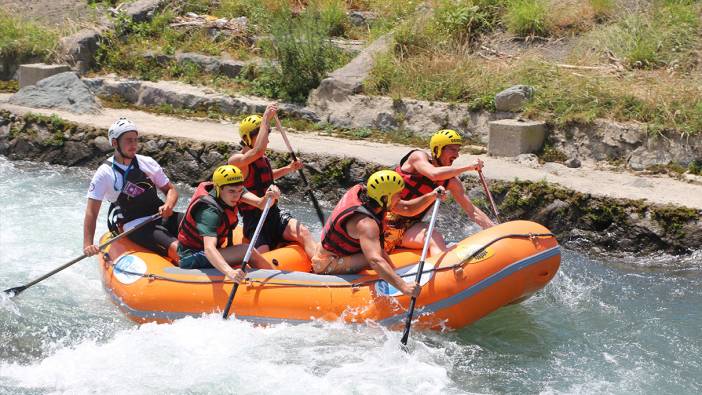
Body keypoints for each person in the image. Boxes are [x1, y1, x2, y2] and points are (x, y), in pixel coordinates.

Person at [312, 170, 445, 297]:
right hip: (328, 264)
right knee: (377, 255)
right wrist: (404, 287)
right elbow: (375, 261)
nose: (401, 197)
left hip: (331, 252)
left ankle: (396, 276)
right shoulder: (366, 224)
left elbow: (407, 208)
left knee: (382, 254)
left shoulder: (370, 195)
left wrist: (432, 196)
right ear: (385, 197)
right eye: (398, 195)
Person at [83, 117, 182, 261]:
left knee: (199, 228)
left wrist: (169, 205)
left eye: (136, 140)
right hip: (134, 225)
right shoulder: (105, 173)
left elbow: (170, 190)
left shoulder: (147, 163)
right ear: (115, 143)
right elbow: (91, 212)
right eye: (129, 140)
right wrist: (88, 244)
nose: (134, 144)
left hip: (159, 215)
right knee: (177, 249)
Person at [384, 129, 495, 256]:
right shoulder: (417, 157)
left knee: (434, 236)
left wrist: (496, 230)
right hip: (383, 223)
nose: (456, 155)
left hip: (409, 228)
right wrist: (468, 167)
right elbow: (433, 174)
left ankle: (444, 270)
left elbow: (472, 211)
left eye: (458, 150)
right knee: (432, 236)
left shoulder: (451, 181)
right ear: (437, 149)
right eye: (452, 149)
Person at [227, 104, 318, 258]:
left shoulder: (262, 159)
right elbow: (258, 150)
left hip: (273, 214)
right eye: (264, 136)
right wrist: (265, 119)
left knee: (303, 232)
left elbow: (266, 177)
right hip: (254, 220)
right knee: (263, 255)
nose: (267, 141)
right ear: (247, 139)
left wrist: (289, 168)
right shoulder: (237, 161)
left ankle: (321, 267)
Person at [177, 165, 276, 282]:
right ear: (218, 189)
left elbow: (261, 204)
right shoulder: (209, 212)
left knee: (247, 250)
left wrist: (271, 196)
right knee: (246, 250)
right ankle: (275, 281)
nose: (237, 196)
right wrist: (230, 272)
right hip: (192, 258)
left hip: (205, 252)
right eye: (232, 191)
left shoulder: (232, 189)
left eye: (240, 191)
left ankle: (273, 277)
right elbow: (209, 249)